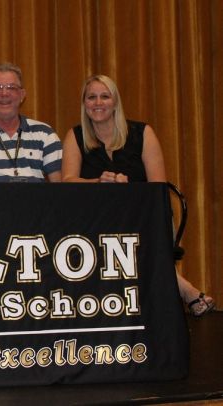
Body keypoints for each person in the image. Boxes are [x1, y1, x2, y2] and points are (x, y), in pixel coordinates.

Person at [61, 73, 215, 316]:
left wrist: (130, 187)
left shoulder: (142, 133)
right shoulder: (75, 136)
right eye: (91, 97)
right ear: (84, 103)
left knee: (134, 240)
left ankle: (175, 297)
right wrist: (97, 182)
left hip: (142, 215)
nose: (98, 103)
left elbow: (158, 188)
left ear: (115, 102)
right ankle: (187, 290)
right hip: (95, 220)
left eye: (104, 96)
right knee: (116, 241)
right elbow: (67, 181)